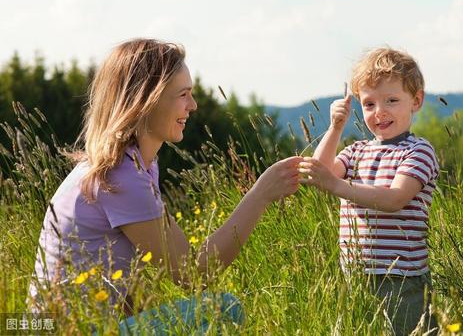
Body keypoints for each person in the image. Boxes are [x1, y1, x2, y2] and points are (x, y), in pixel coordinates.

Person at [28, 38, 302, 334]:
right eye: (183, 94)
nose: (193, 106)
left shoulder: (131, 165)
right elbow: (195, 273)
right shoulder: (122, 176)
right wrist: (260, 195)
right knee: (225, 308)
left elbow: (136, 282)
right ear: (147, 99)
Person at [298, 47, 439, 335]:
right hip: (355, 274)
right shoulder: (356, 150)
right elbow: (320, 171)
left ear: (416, 100)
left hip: (403, 277)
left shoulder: (418, 151)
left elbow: (395, 198)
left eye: (392, 100)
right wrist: (336, 128)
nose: (380, 111)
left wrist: (336, 186)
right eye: (369, 104)